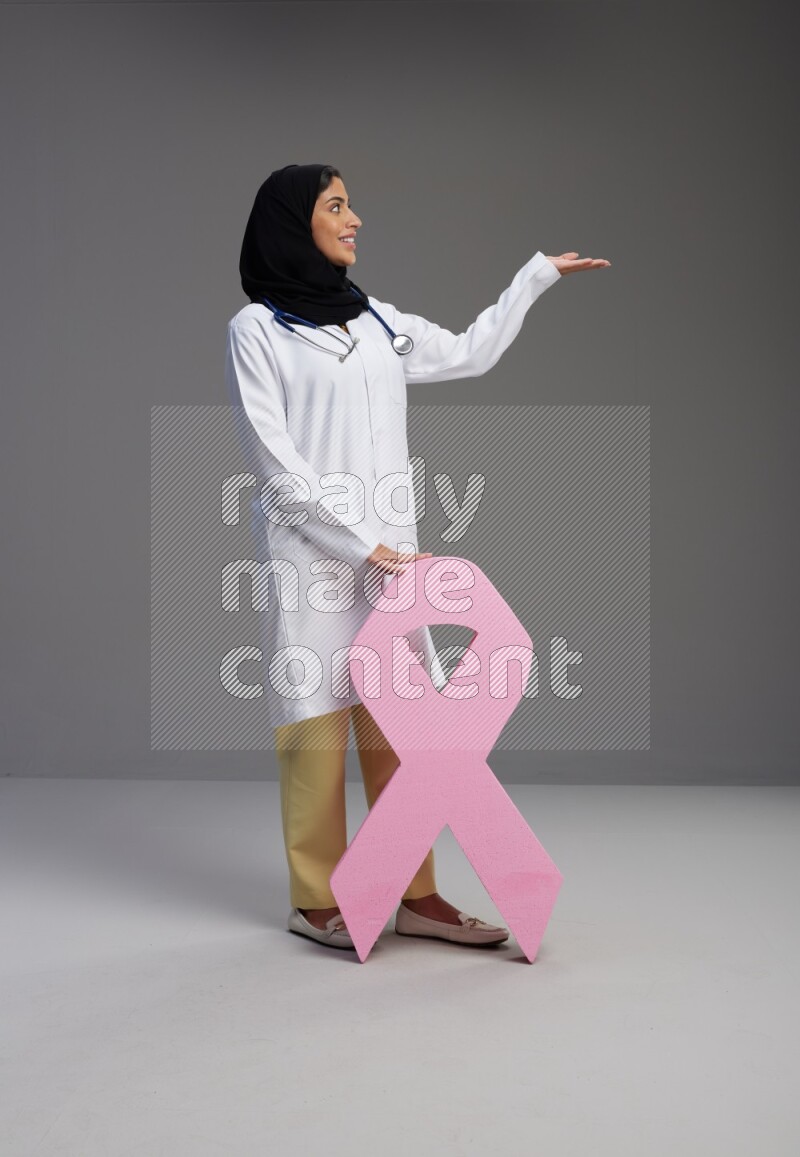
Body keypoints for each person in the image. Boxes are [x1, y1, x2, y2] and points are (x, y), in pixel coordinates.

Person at [225, 163, 610, 951]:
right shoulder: (256, 330)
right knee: (315, 724)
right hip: (313, 561)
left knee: (404, 729)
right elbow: (274, 461)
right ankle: (314, 897)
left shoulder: (374, 320)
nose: (356, 218)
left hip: (392, 566)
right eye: (337, 206)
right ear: (295, 224)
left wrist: (535, 278)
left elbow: (470, 352)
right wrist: (355, 544)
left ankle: (413, 891)